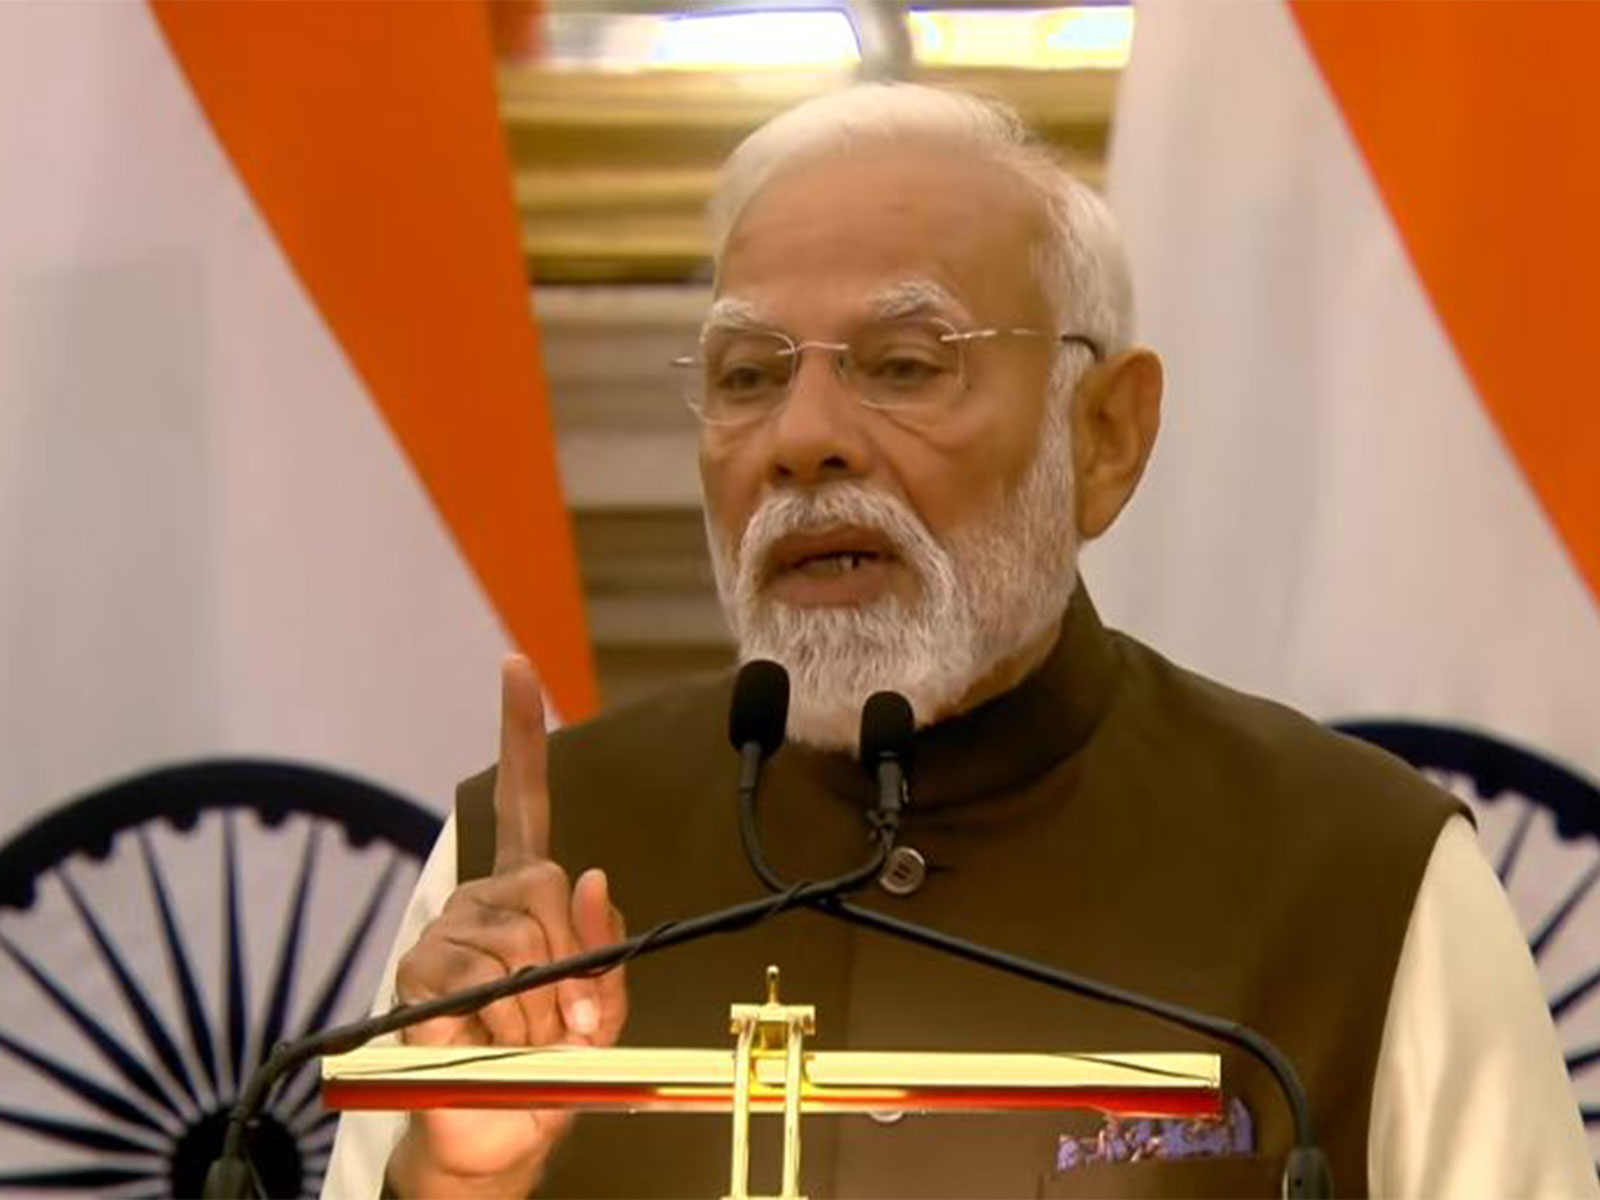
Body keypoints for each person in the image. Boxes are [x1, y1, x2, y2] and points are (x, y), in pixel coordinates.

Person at [324, 84, 1593, 1198]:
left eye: (905, 364)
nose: (800, 438)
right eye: (749, 375)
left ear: (1103, 435)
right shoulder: (529, 878)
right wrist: (456, 1180)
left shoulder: (1358, 879)